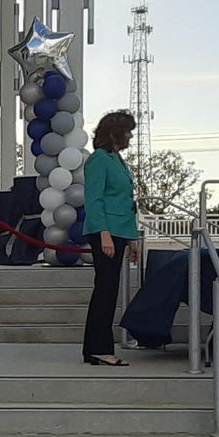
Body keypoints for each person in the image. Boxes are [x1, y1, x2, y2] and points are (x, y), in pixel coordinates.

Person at [82, 110, 143, 366]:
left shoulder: (116, 159)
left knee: (109, 289)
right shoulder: (99, 159)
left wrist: (131, 238)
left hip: (120, 231)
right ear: (114, 132)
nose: (130, 136)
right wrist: (104, 234)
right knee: (105, 290)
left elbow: (124, 200)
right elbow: (94, 199)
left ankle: (96, 347)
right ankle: (98, 347)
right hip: (105, 231)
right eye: (127, 131)